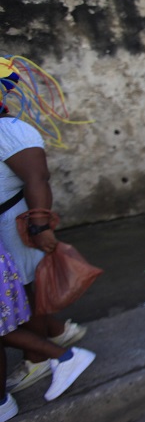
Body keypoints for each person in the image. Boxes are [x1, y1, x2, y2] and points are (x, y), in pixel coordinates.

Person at [1, 58, 95, 402]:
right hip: (8, 225)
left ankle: (38, 358)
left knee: (26, 290)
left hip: (18, 224)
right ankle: (58, 333)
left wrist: (39, 225)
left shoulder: (11, 130)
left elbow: (37, 178)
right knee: (16, 292)